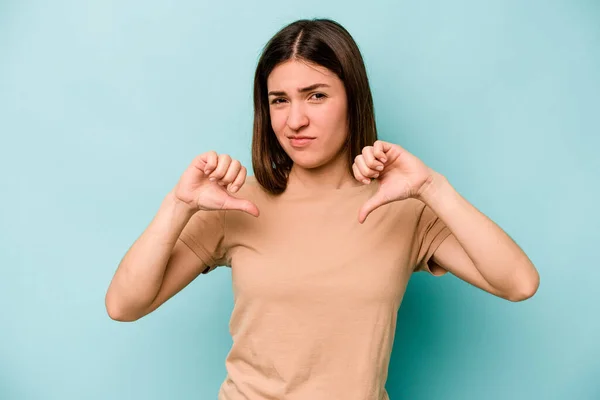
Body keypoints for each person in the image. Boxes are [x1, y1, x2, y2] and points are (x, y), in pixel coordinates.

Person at [105, 18, 540, 400]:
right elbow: (124, 305)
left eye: (315, 96)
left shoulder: (402, 207)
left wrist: (432, 186)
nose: (295, 120)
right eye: (279, 100)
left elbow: (519, 282)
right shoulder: (233, 202)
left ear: (353, 99)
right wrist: (178, 205)